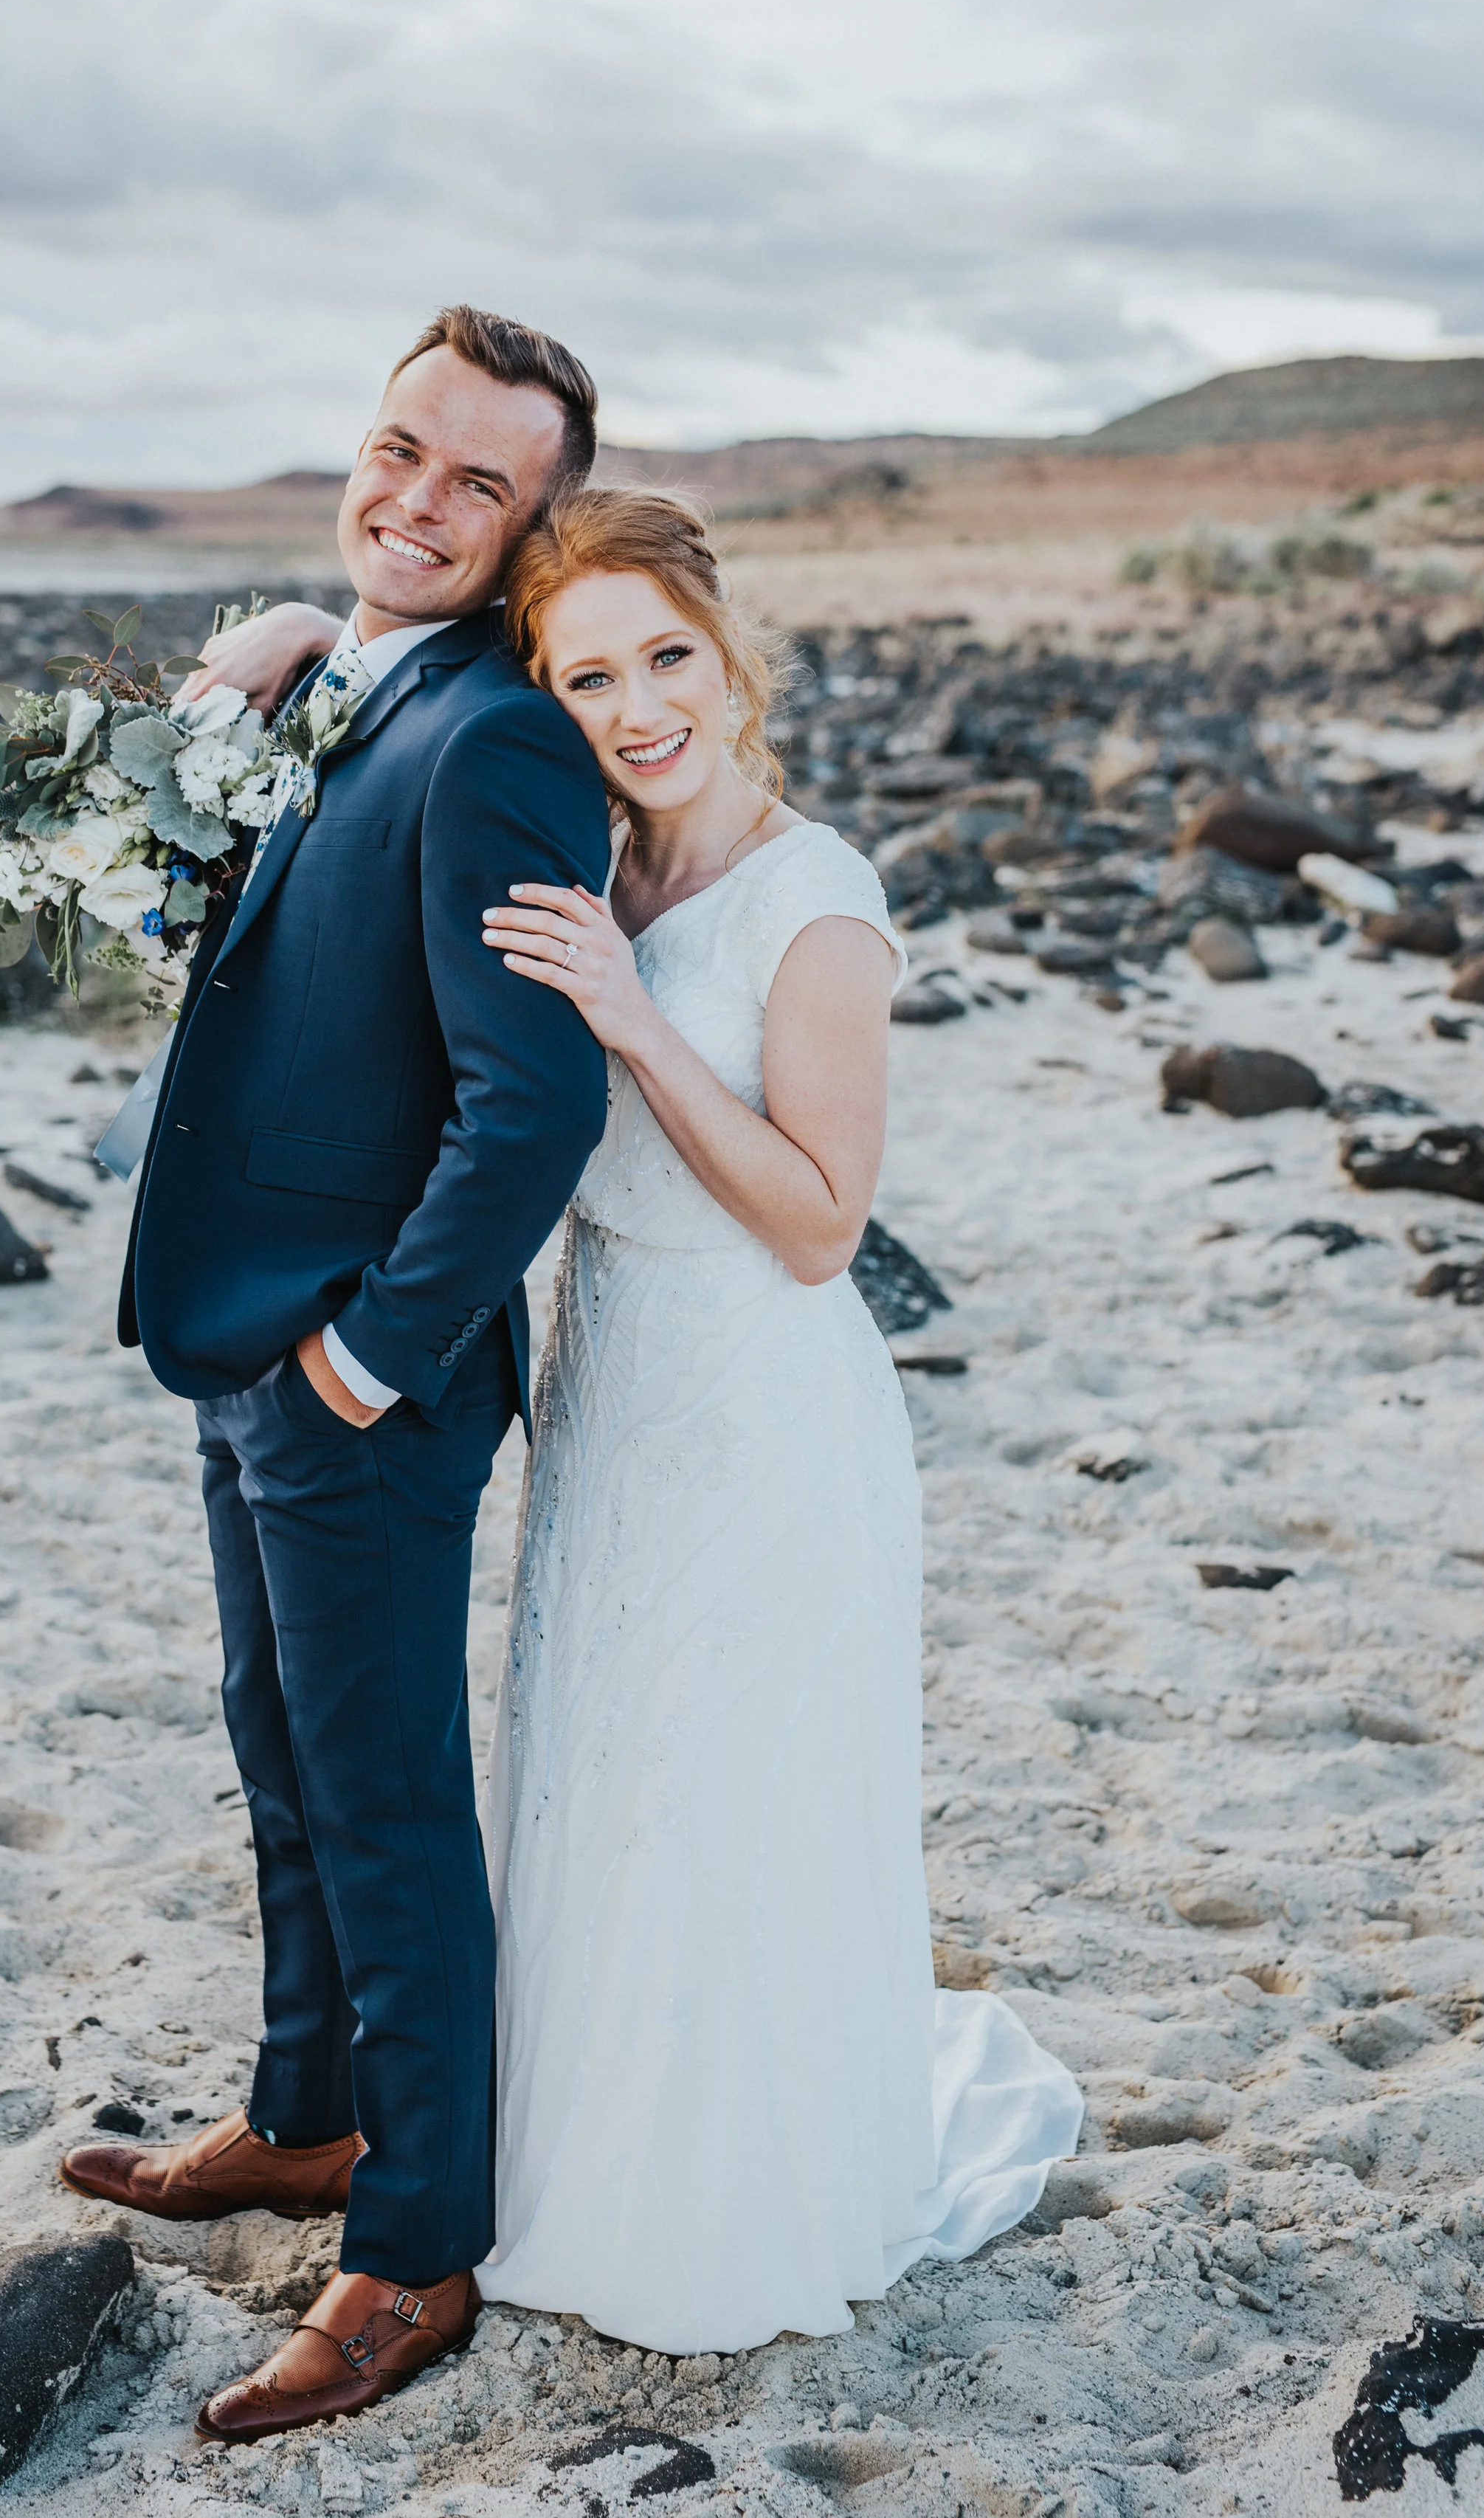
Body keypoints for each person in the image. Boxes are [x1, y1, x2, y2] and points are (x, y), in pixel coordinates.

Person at [58, 308, 614, 2441]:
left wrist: (375, 1358)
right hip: (238, 1324)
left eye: (478, 483)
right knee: (271, 1739)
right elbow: (175, 921)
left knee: (384, 1800)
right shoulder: (336, 688)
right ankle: (301, 2111)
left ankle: (416, 2244)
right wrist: (228, 685)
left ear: (531, 523)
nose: (417, 500)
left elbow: (530, 1105)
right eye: (401, 450)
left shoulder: (492, 740)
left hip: (356, 1365)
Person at [474, 488, 1083, 2356]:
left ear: (732, 659)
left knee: (724, 1793)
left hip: (757, 1406)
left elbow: (824, 1229)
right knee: (599, 1782)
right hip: (610, 1387)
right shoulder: (598, 865)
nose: (638, 704)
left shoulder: (816, 909)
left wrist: (633, 1026)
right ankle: (573, 2163)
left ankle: (722, 2206)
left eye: (666, 656)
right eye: (587, 677)